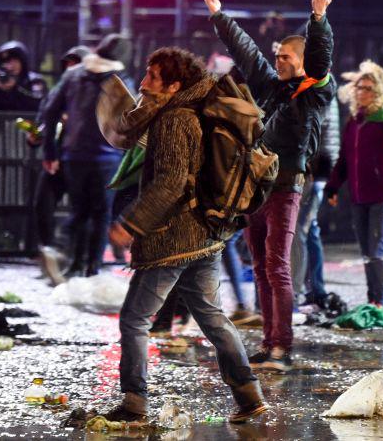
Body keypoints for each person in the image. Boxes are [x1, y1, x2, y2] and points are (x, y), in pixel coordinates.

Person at [105, 46, 266, 423]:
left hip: (173, 239)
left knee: (134, 320)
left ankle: (133, 403)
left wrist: (130, 224)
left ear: (174, 85)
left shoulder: (176, 119)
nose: (143, 84)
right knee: (212, 317)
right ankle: (248, 395)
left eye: (152, 77)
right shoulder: (187, 110)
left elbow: (171, 184)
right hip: (204, 237)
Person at [205, 0, 335, 373]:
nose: (279, 60)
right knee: (260, 265)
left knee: (277, 265)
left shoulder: (313, 91)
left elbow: (319, 55)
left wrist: (318, 19)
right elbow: (246, 52)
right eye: (277, 55)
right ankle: (268, 343)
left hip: (286, 186)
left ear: (303, 61)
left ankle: (282, 347)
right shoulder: (270, 87)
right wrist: (218, 14)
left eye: (286, 56)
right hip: (254, 190)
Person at [40, 34, 132, 278]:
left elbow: (50, 111)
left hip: (74, 155)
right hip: (108, 159)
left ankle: (71, 262)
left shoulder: (73, 75)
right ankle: (92, 269)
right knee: (101, 213)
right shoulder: (121, 80)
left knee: (79, 210)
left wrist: (50, 150)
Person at [325, 60, 383, 308]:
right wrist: (333, 185)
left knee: (378, 252)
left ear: (379, 91)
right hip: (360, 198)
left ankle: (380, 304)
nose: (362, 92)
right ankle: (373, 301)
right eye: (359, 87)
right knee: (367, 254)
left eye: (368, 88)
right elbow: (345, 158)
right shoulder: (355, 120)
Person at [32, 45, 91, 285]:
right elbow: (43, 119)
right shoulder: (58, 91)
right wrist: (36, 136)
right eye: (67, 63)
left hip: (80, 160)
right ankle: (49, 258)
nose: (70, 68)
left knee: (81, 212)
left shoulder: (93, 93)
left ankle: (79, 262)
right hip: (55, 159)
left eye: (75, 63)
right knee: (42, 205)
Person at [291, 102, 339, 308]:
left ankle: (294, 294)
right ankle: (315, 290)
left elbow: (327, 135)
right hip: (314, 171)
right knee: (309, 232)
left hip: (314, 173)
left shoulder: (319, 88)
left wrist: (325, 175)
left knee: (300, 232)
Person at [0, 40, 47, 111]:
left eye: (15, 61)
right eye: (6, 63)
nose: (11, 66)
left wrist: (15, 88)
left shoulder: (35, 81)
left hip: (27, 121)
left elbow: (39, 103)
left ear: (22, 61)